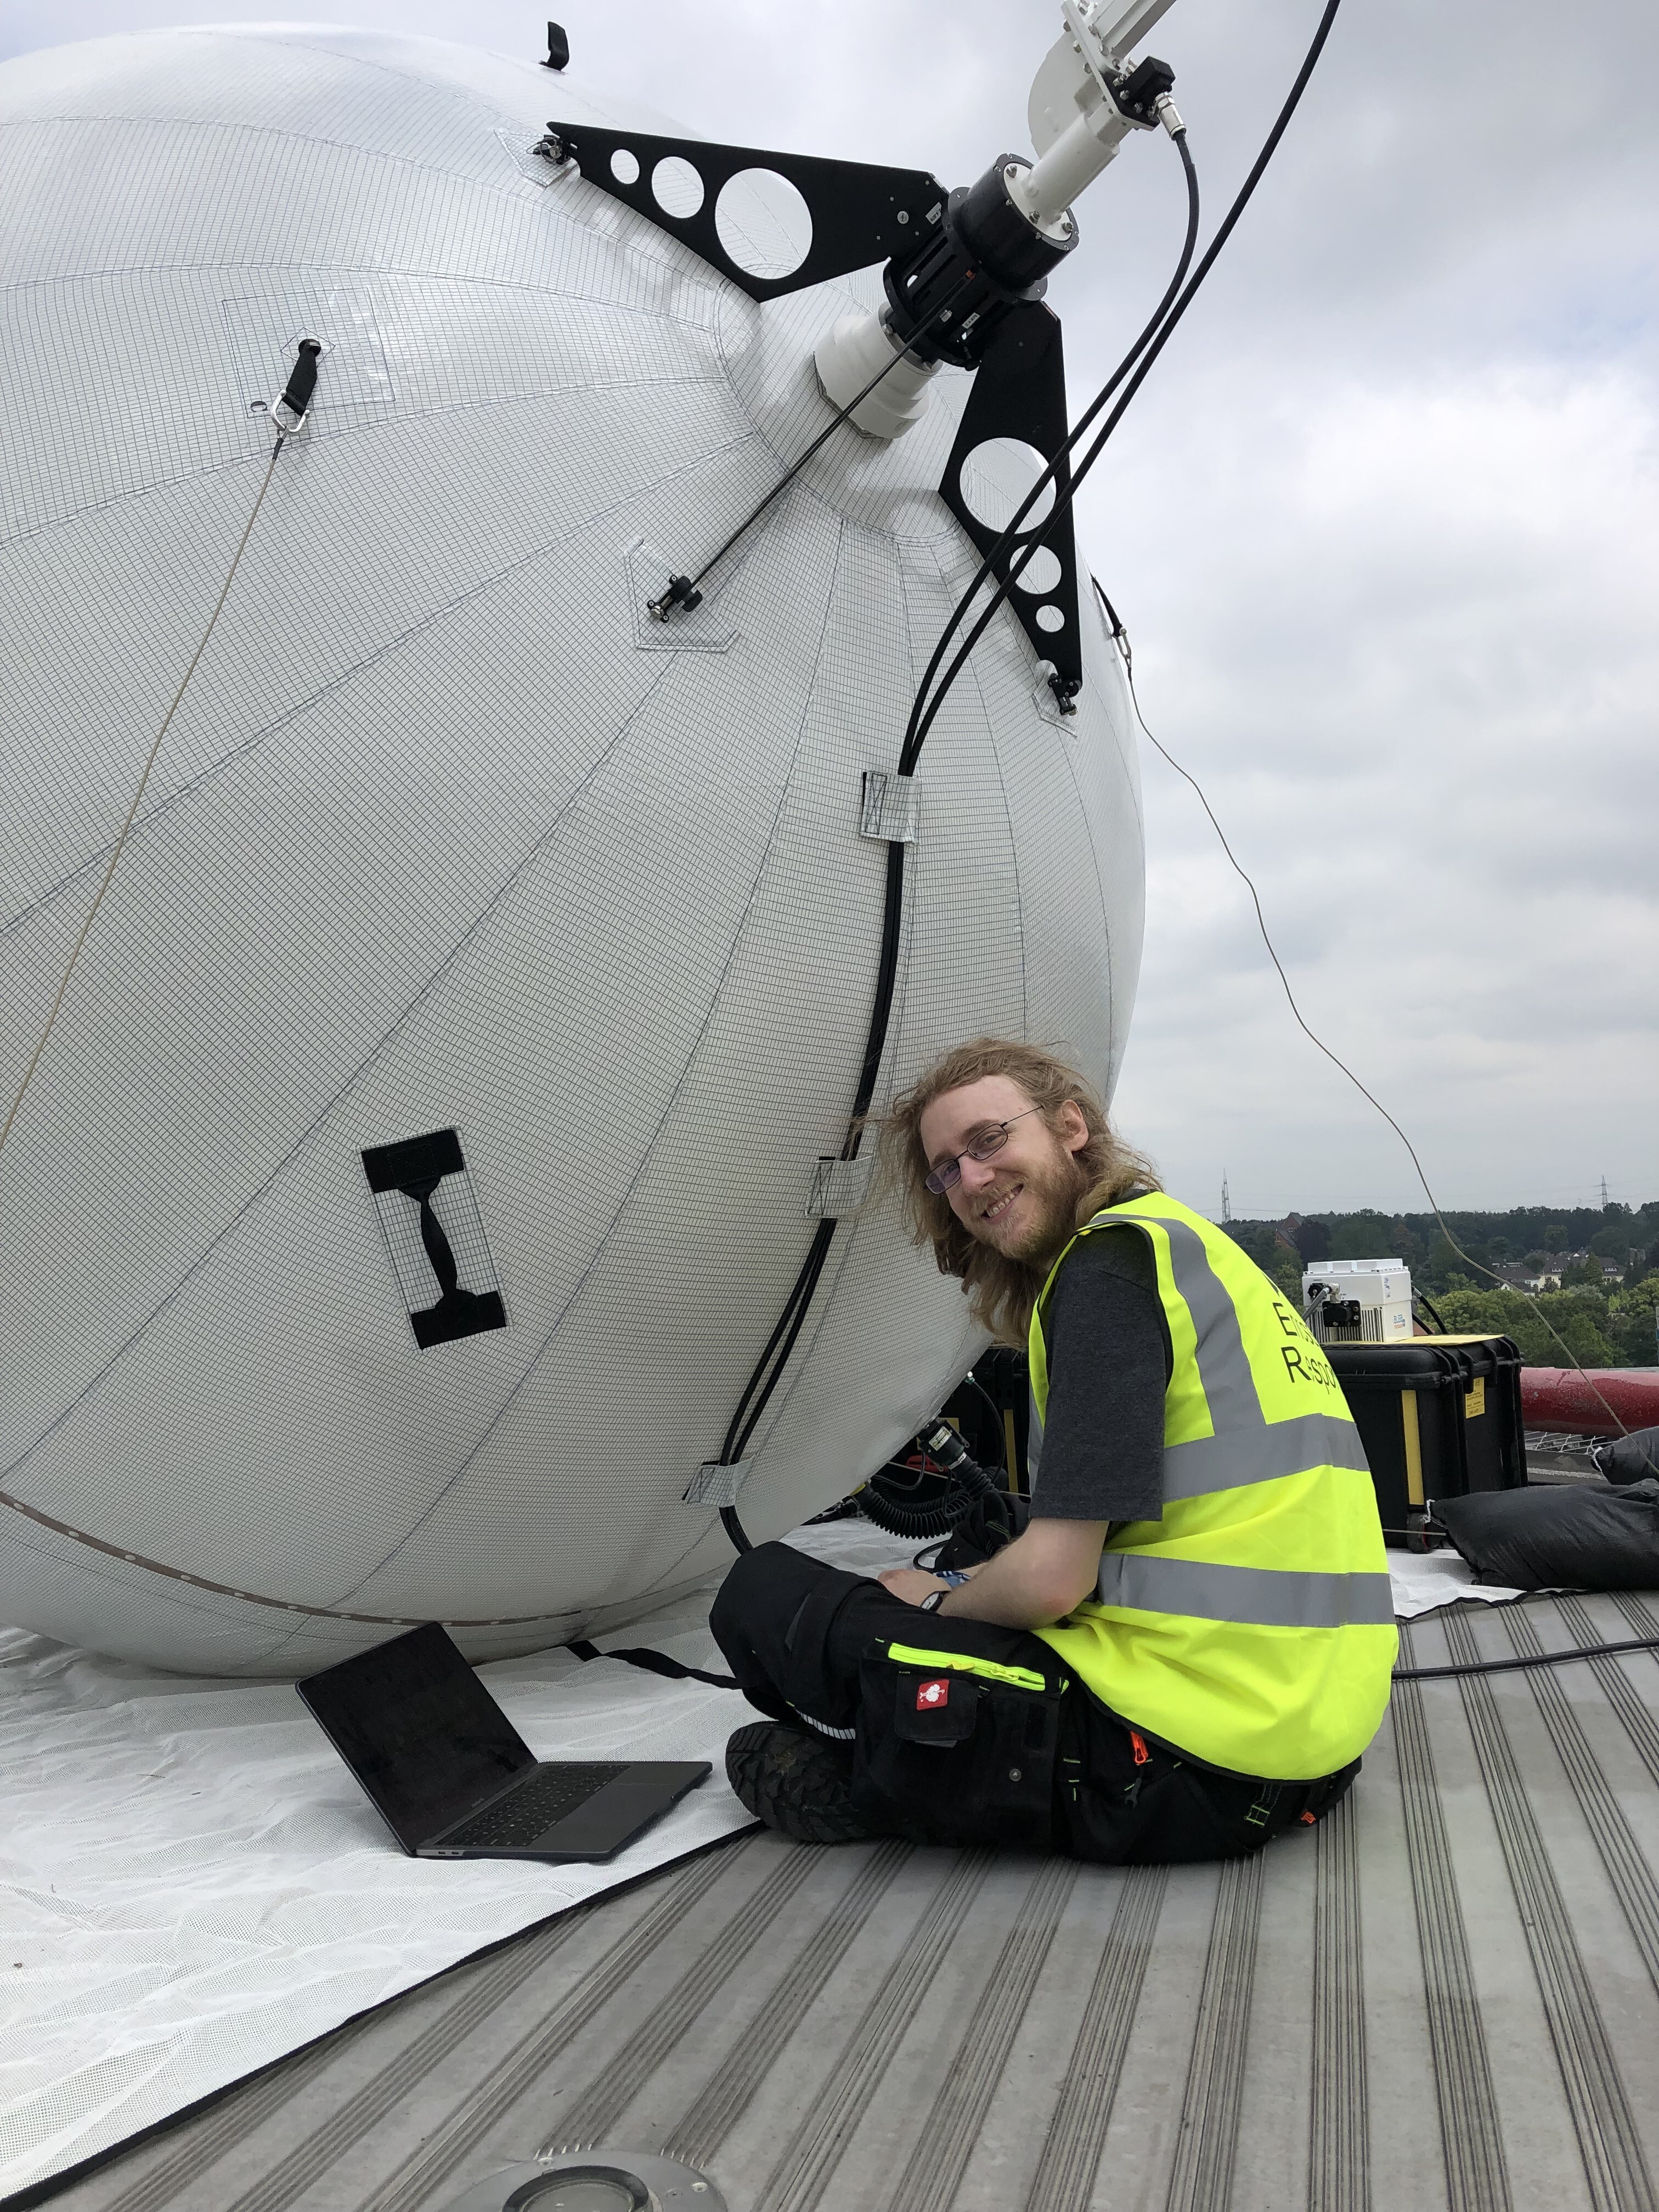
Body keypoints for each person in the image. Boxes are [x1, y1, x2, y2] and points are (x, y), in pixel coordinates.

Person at [712, 1037, 1397, 1863]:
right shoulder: (1184, 1248)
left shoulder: (1104, 1276)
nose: (970, 1181)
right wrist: (971, 1575)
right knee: (995, 1532)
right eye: (946, 1169)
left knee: (764, 1594)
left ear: (1070, 1125)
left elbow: (1053, 1581)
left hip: (1181, 1763)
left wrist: (934, 1603)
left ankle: (889, 1776)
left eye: (990, 1140)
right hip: (1318, 1742)